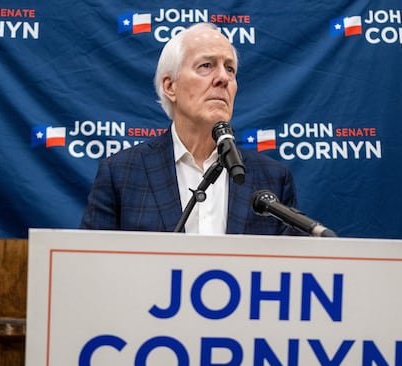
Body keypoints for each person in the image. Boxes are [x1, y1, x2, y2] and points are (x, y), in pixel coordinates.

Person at [79, 22, 301, 235]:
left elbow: (292, 268)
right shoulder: (121, 174)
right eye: (206, 65)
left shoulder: (273, 179)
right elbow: (90, 265)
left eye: (230, 69)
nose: (223, 78)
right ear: (170, 87)